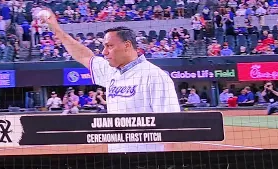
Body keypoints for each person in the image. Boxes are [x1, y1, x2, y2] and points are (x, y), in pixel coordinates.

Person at [41, 9, 180, 113]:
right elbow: (84, 56)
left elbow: (172, 125)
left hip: (147, 151)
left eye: (109, 46)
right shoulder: (111, 70)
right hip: (115, 150)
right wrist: (56, 29)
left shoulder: (155, 76)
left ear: (127, 45)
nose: (104, 52)